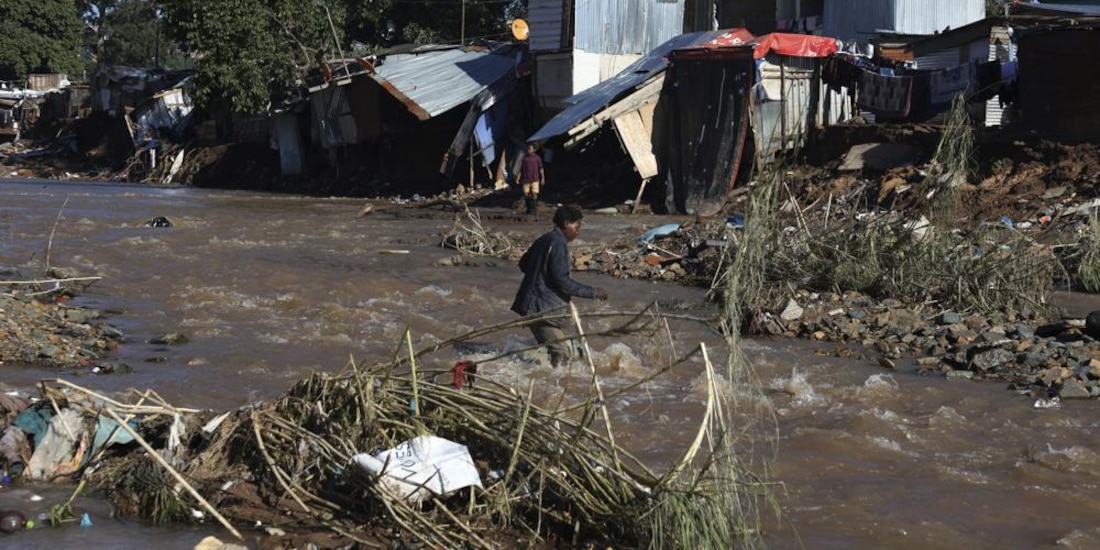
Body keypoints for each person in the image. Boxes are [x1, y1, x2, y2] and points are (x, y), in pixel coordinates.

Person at [511, 205, 608, 367]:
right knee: (561, 352)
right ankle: (558, 385)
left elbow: (523, 264)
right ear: (566, 224)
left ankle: (540, 378)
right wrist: (592, 292)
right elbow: (562, 281)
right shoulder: (558, 244)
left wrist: (539, 276)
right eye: (577, 227)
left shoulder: (545, 239)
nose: (578, 232)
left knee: (549, 349)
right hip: (542, 309)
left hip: (531, 305)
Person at [518, 143, 545, 215]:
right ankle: (528, 209)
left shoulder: (537, 158)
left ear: (534, 150)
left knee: (534, 193)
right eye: (528, 149)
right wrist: (519, 177)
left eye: (530, 149)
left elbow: (541, 168)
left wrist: (542, 178)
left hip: (535, 179)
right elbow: (522, 169)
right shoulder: (525, 158)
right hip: (526, 179)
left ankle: (534, 209)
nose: (528, 150)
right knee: (526, 194)